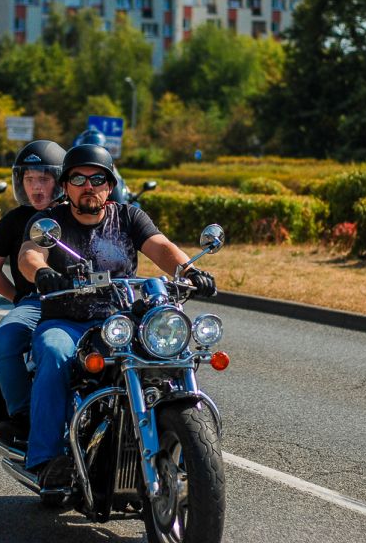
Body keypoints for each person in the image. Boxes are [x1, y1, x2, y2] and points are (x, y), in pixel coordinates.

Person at [17, 144, 217, 488]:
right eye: (78, 178)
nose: (88, 185)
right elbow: (29, 254)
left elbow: (160, 247)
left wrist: (188, 270)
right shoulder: (51, 223)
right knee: (52, 353)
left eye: (98, 178)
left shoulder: (128, 217)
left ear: (109, 186)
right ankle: (47, 460)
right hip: (68, 322)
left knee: (174, 355)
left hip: (123, 322)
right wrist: (42, 272)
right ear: (66, 186)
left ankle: (186, 446)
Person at [0, 140, 66, 443]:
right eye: (29, 179)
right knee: (6, 338)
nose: (36, 187)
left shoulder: (75, 214)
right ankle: (24, 416)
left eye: (43, 178)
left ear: (59, 180)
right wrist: (18, 298)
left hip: (86, 300)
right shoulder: (15, 220)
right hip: (36, 302)